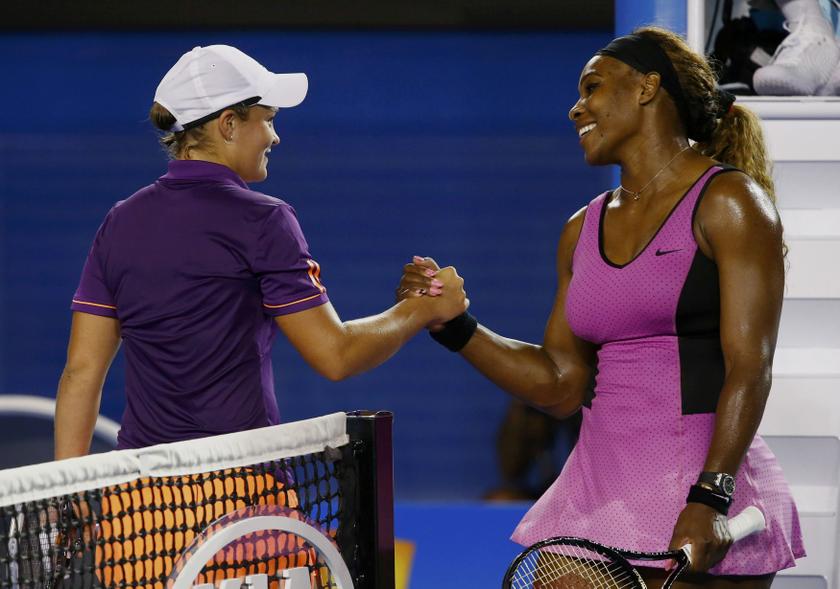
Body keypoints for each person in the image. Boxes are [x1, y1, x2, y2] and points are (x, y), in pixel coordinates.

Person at [399, 27, 804, 586]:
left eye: (591, 87)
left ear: (646, 87)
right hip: (598, 489)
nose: (575, 109)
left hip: (699, 487)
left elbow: (749, 367)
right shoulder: (579, 230)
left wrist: (710, 496)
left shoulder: (730, 202)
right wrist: (457, 327)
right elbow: (561, 384)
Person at [55, 44, 467, 458]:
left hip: (142, 500)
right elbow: (336, 356)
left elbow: (81, 372)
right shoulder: (264, 219)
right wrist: (422, 310)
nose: (275, 135)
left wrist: (60, 497)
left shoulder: (119, 221)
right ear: (229, 124)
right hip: (241, 490)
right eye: (267, 119)